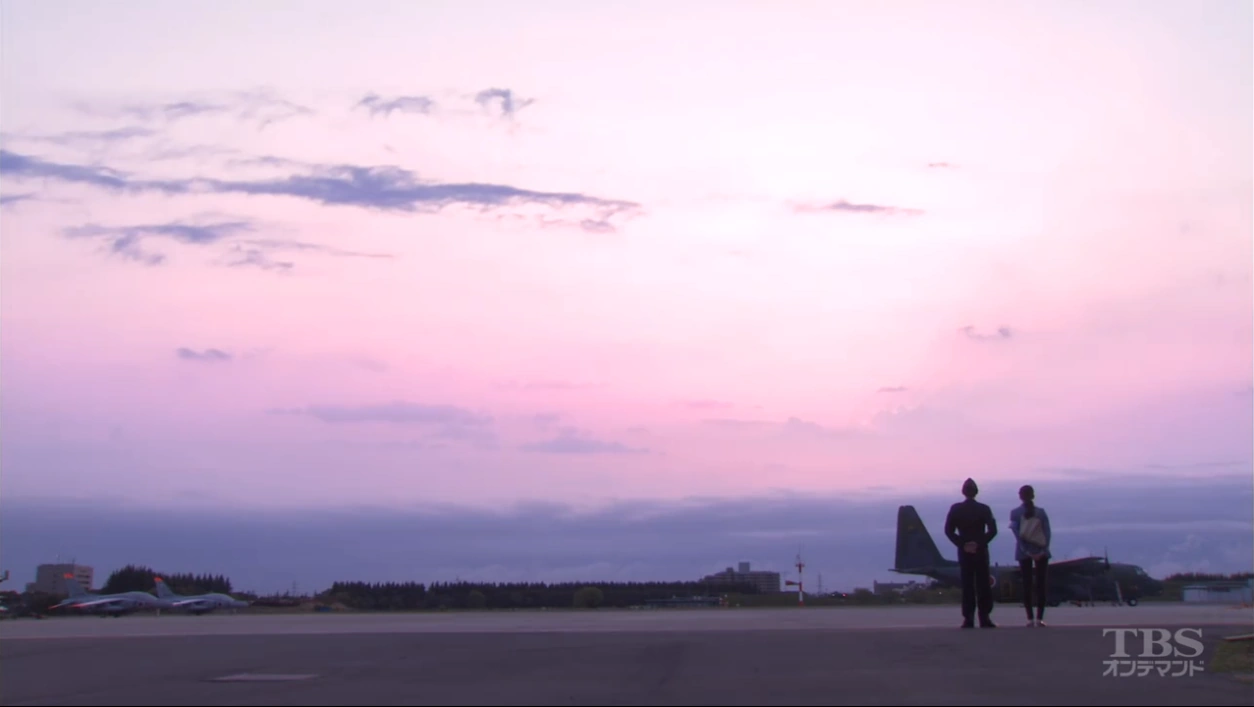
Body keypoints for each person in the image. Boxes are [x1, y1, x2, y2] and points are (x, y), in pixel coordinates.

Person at [944, 478, 998, 628]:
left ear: (963, 492)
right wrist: (979, 543)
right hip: (981, 551)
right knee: (983, 585)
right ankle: (984, 617)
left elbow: (949, 531)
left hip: (964, 551)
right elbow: (993, 530)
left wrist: (963, 544)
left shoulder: (956, 509)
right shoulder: (984, 509)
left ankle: (968, 618)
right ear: (976, 492)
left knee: (967, 585)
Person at [1009, 484, 1051, 627]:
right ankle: (1040, 618)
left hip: (1023, 552)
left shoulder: (1015, 513)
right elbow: (1047, 533)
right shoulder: (1041, 513)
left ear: (1020, 496)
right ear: (1033, 495)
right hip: (1041, 552)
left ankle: (1029, 618)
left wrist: (1027, 552)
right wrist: (1042, 551)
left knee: (1026, 584)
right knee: (1041, 584)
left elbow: (1016, 535)